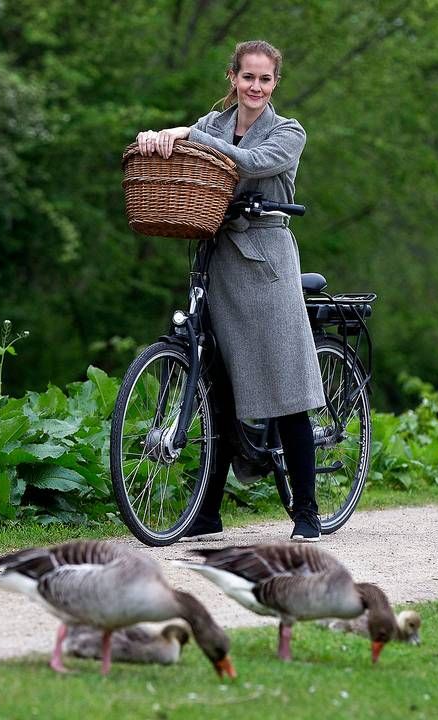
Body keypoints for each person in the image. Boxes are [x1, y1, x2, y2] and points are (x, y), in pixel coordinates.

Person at [135, 40, 326, 542]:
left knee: (285, 390)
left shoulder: (288, 132)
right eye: (247, 78)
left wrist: (187, 135)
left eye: (265, 79)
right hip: (216, 257)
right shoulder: (214, 124)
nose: (255, 87)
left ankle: (306, 512)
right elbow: (191, 149)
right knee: (216, 387)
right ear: (233, 78)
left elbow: (249, 162)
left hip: (267, 263)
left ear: (275, 83)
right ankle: (207, 510)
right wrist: (160, 138)